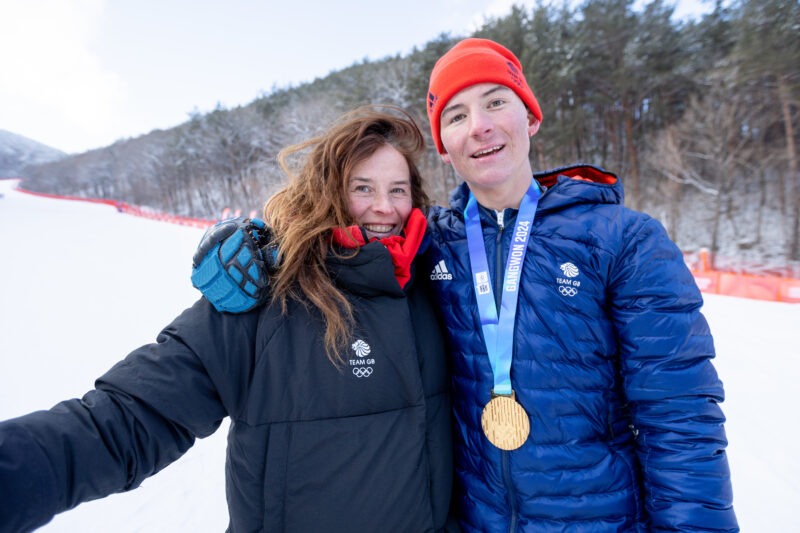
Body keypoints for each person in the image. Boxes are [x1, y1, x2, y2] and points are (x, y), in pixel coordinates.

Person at [197, 39, 738, 532]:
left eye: (495, 102)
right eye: (456, 115)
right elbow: (340, 244)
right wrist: (261, 249)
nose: (478, 124)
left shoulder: (624, 239)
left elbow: (681, 421)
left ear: (530, 117)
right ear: (444, 148)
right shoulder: (426, 244)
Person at [0, 107, 456, 533]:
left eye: (398, 189)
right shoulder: (266, 295)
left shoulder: (436, 283)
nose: (384, 208)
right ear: (328, 193)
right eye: (363, 188)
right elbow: (132, 417)